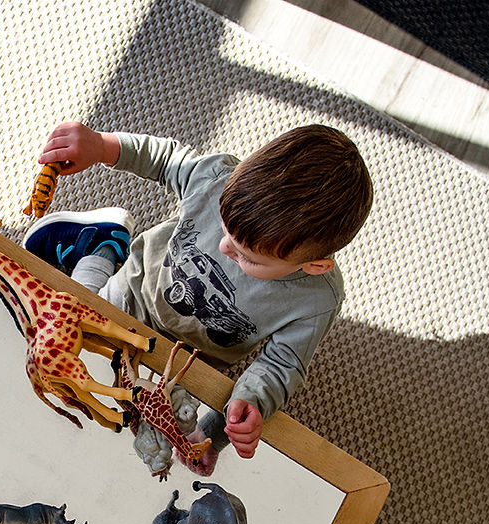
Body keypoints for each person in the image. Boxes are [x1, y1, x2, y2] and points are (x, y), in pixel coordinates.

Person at [23, 123, 373, 469]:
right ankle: (100, 245)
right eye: (224, 229)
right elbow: (164, 159)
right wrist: (101, 146)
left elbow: (281, 365)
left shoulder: (316, 299)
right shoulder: (216, 179)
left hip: (190, 363)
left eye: (247, 257)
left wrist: (227, 424)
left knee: (145, 430)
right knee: (67, 322)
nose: (224, 248)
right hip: (136, 293)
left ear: (314, 266)